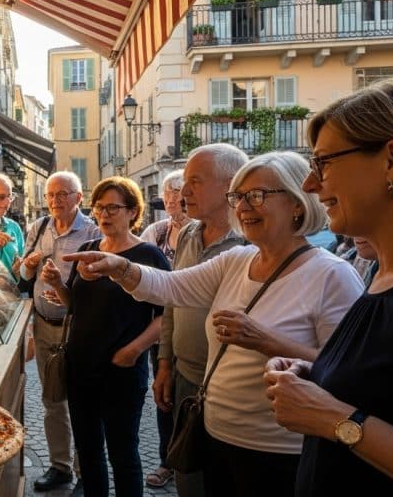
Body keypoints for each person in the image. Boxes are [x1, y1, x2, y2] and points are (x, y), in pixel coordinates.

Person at [65, 151, 364, 497]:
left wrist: (267, 342)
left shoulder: (332, 275)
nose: (244, 207)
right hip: (214, 435)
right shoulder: (237, 260)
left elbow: (347, 372)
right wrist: (118, 266)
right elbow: (170, 287)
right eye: (239, 197)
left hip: (279, 451)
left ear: (298, 203)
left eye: (258, 195)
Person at [264, 78, 393, 496]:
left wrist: (335, 418)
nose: (311, 185)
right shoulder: (386, 274)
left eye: (324, 163)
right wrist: (318, 377)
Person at [41, 176, 169, 497]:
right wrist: (58, 284)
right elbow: (75, 305)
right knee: (89, 452)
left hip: (122, 371)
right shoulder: (87, 249)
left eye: (113, 207)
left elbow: (167, 316)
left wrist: (135, 349)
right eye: (99, 207)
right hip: (80, 369)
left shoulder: (148, 255)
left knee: (123, 454)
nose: (104, 214)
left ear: (132, 211)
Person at [154, 144, 248, 497]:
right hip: (185, 377)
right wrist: (165, 363)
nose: (184, 192)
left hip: (228, 388)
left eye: (195, 181)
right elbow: (171, 300)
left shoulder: (250, 243)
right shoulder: (189, 233)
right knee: (188, 477)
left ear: (229, 185)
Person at [19, 171, 100, 494]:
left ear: (79, 198)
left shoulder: (93, 232)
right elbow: (22, 275)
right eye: (51, 195)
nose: (55, 201)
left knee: (80, 401)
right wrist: (30, 264)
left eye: (63, 194)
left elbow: (100, 287)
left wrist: (64, 290)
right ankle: (60, 466)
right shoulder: (38, 228)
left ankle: (85, 470)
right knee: (52, 398)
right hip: (43, 325)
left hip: (78, 329)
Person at [137, 169, 187, 488]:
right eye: (167, 192)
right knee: (164, 394)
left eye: (177, 191)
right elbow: (138, 273)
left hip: (191, 327)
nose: (170, 198)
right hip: (160, 326)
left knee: (189, 397)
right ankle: (168, 460)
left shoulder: (200, 234)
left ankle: (189, 462)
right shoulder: (155, 232)